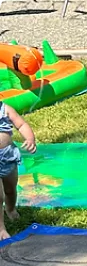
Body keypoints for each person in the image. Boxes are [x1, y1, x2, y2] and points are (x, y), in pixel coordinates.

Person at [0, 101, 36, 240]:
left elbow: (21, 124)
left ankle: (10, 209)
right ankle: (1, 228)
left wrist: (30, 138)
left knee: (10, 189)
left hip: (8, 156)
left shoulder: (6, 109)